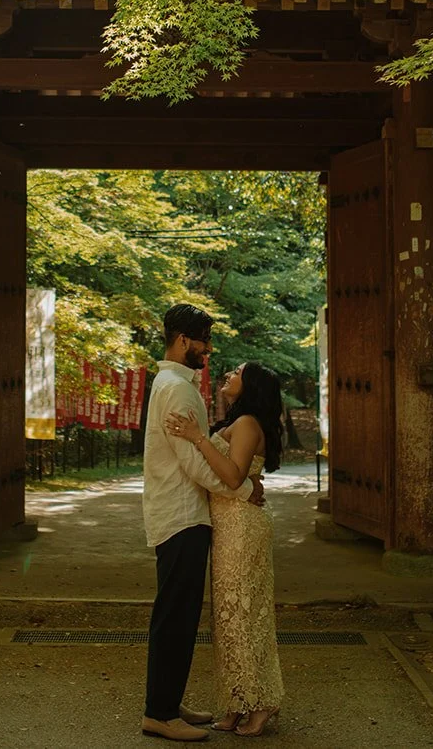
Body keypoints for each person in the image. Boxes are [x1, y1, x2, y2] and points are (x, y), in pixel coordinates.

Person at [141, 304, 266, 743]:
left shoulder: (175, 384)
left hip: (184, 511)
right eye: (203, 341)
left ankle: (168, 703)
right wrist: (244, 489)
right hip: (182, 513)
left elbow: (199, 451)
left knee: (181, 611)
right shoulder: (177, 388)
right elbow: (192, 461)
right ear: (182, 341)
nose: (208, 349)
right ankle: (158, 712)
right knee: (175, 614)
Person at [165, 362, 286, 737]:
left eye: (237, 372)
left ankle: (262, 703)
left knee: (244, 617)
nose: (229, 374)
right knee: (228, 619)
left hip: (242, 528)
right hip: (229, 526)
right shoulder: (242, 420)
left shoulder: (248, 422)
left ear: (250, 386)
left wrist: (198, 437)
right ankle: (237, 701)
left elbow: (232, 476)